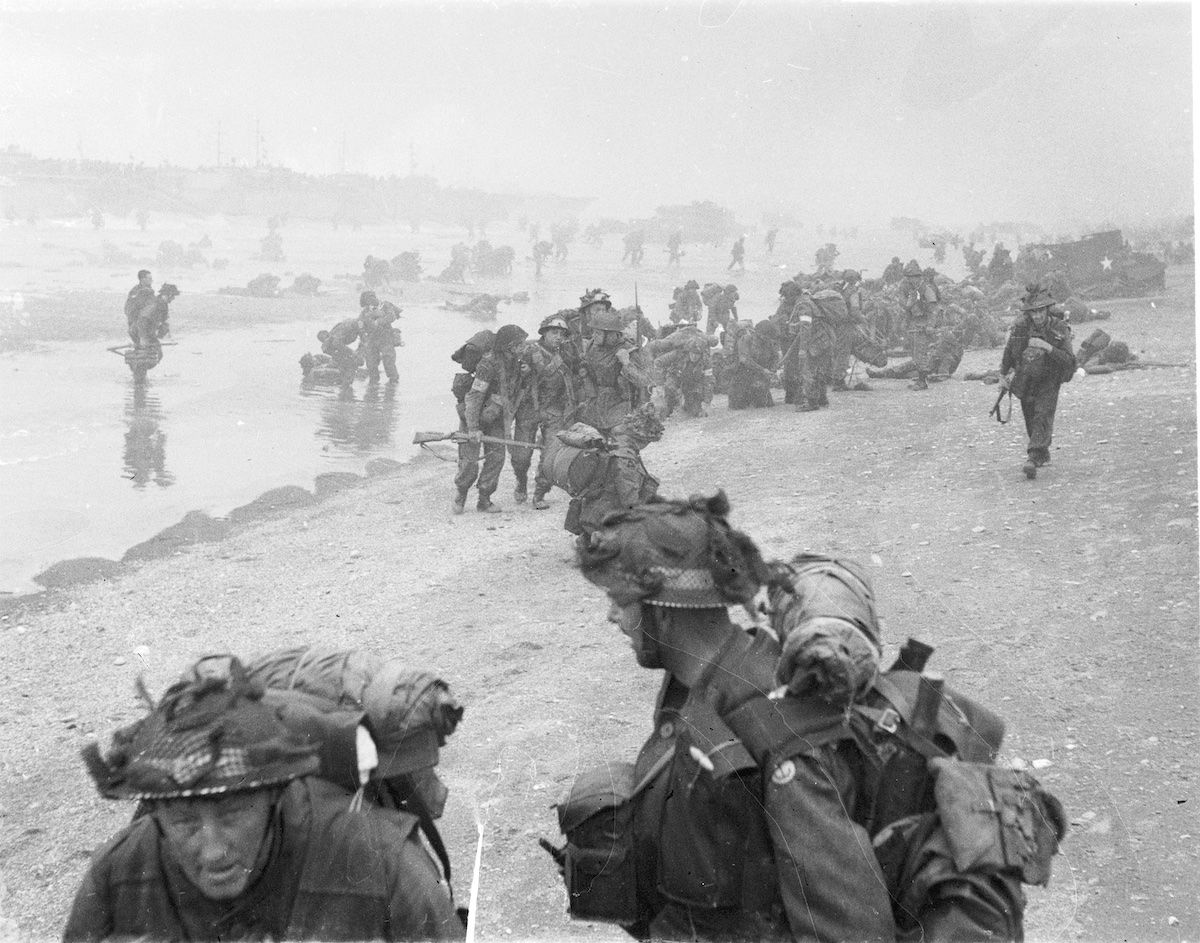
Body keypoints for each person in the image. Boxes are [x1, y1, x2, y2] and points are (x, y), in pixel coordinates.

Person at [555, 492, 1065, 942]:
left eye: (619, 602)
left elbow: (848, 928)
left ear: (663, 611)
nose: (611, 617)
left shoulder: (783, 738)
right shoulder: (699, 683)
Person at [65, 657, 463, 941]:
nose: (213, 850)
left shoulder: (379, 861)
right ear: (156, 814)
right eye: (184, 821)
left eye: (232, 814)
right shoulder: (117, 876)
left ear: (274, 795)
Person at [1000, 288, 1076, 479]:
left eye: (1041, 311)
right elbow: (1009, 353)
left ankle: (1033, 457)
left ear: (1047, 310)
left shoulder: (1059, 328)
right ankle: (1042, 453)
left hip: (1050, 379)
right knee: (1031, 416)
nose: (1038, 315)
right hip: (1025, 379)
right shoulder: (1020, 329)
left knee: (1042, 414)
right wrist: (1003, 376)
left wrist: (1048, 347)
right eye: (1034, 312)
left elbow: (1070, 361)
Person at [454, 323, 528, 513]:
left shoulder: (516, 364)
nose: (524, 348)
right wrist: (472, 429)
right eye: (520, 345)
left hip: (495, 419)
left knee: (497, 459)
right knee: (469, 462)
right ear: (509, 346)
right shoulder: (488, 363)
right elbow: (474, 396)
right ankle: (461, 494)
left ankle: (484, 499)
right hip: (474, 416)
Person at [515, 314, 577, 509]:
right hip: (528, 409)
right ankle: (521, 481)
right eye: (554, 332)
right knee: (521, 456)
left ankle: (540, 493)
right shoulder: (529, 351)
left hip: (554, 410)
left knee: (551, 454)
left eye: (561, 334)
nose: (558, 337)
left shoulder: (566, 353)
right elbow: (514, 378)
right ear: (544, 333)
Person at [898, 260, 939, 390]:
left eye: (913, 277)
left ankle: (922, 381)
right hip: (914, 323)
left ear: (919, 277)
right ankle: (920, 379)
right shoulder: (912, 290)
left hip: (924, 324)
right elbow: (906, 307)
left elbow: (933, 310)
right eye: (909, 278)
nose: (911, 280)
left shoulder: (926, 290)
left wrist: (930, 325)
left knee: (921, 353)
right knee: (915, 353)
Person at [359, 292, 402, 384]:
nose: (371, 301)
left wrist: (378, 321)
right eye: (368, 300)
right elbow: (360, 323)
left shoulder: (385, 305)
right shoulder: (365, 311)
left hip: (386, 337)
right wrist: (363, 334)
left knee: (388, 360)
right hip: (371, 338)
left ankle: (393, 381)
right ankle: (374, 382)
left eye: (372, 298)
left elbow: (392, 316)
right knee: (371, 362)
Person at [319, 314, 366, 391]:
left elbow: (363, 338)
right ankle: (346, 387)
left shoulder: (355, 325)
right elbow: (336, 343)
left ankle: (345, 386)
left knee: (352, 363)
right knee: (350, 365)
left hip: (339, 347)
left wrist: (358, 352)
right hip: (337, 348)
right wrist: (353, 353)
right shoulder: (344, 329)